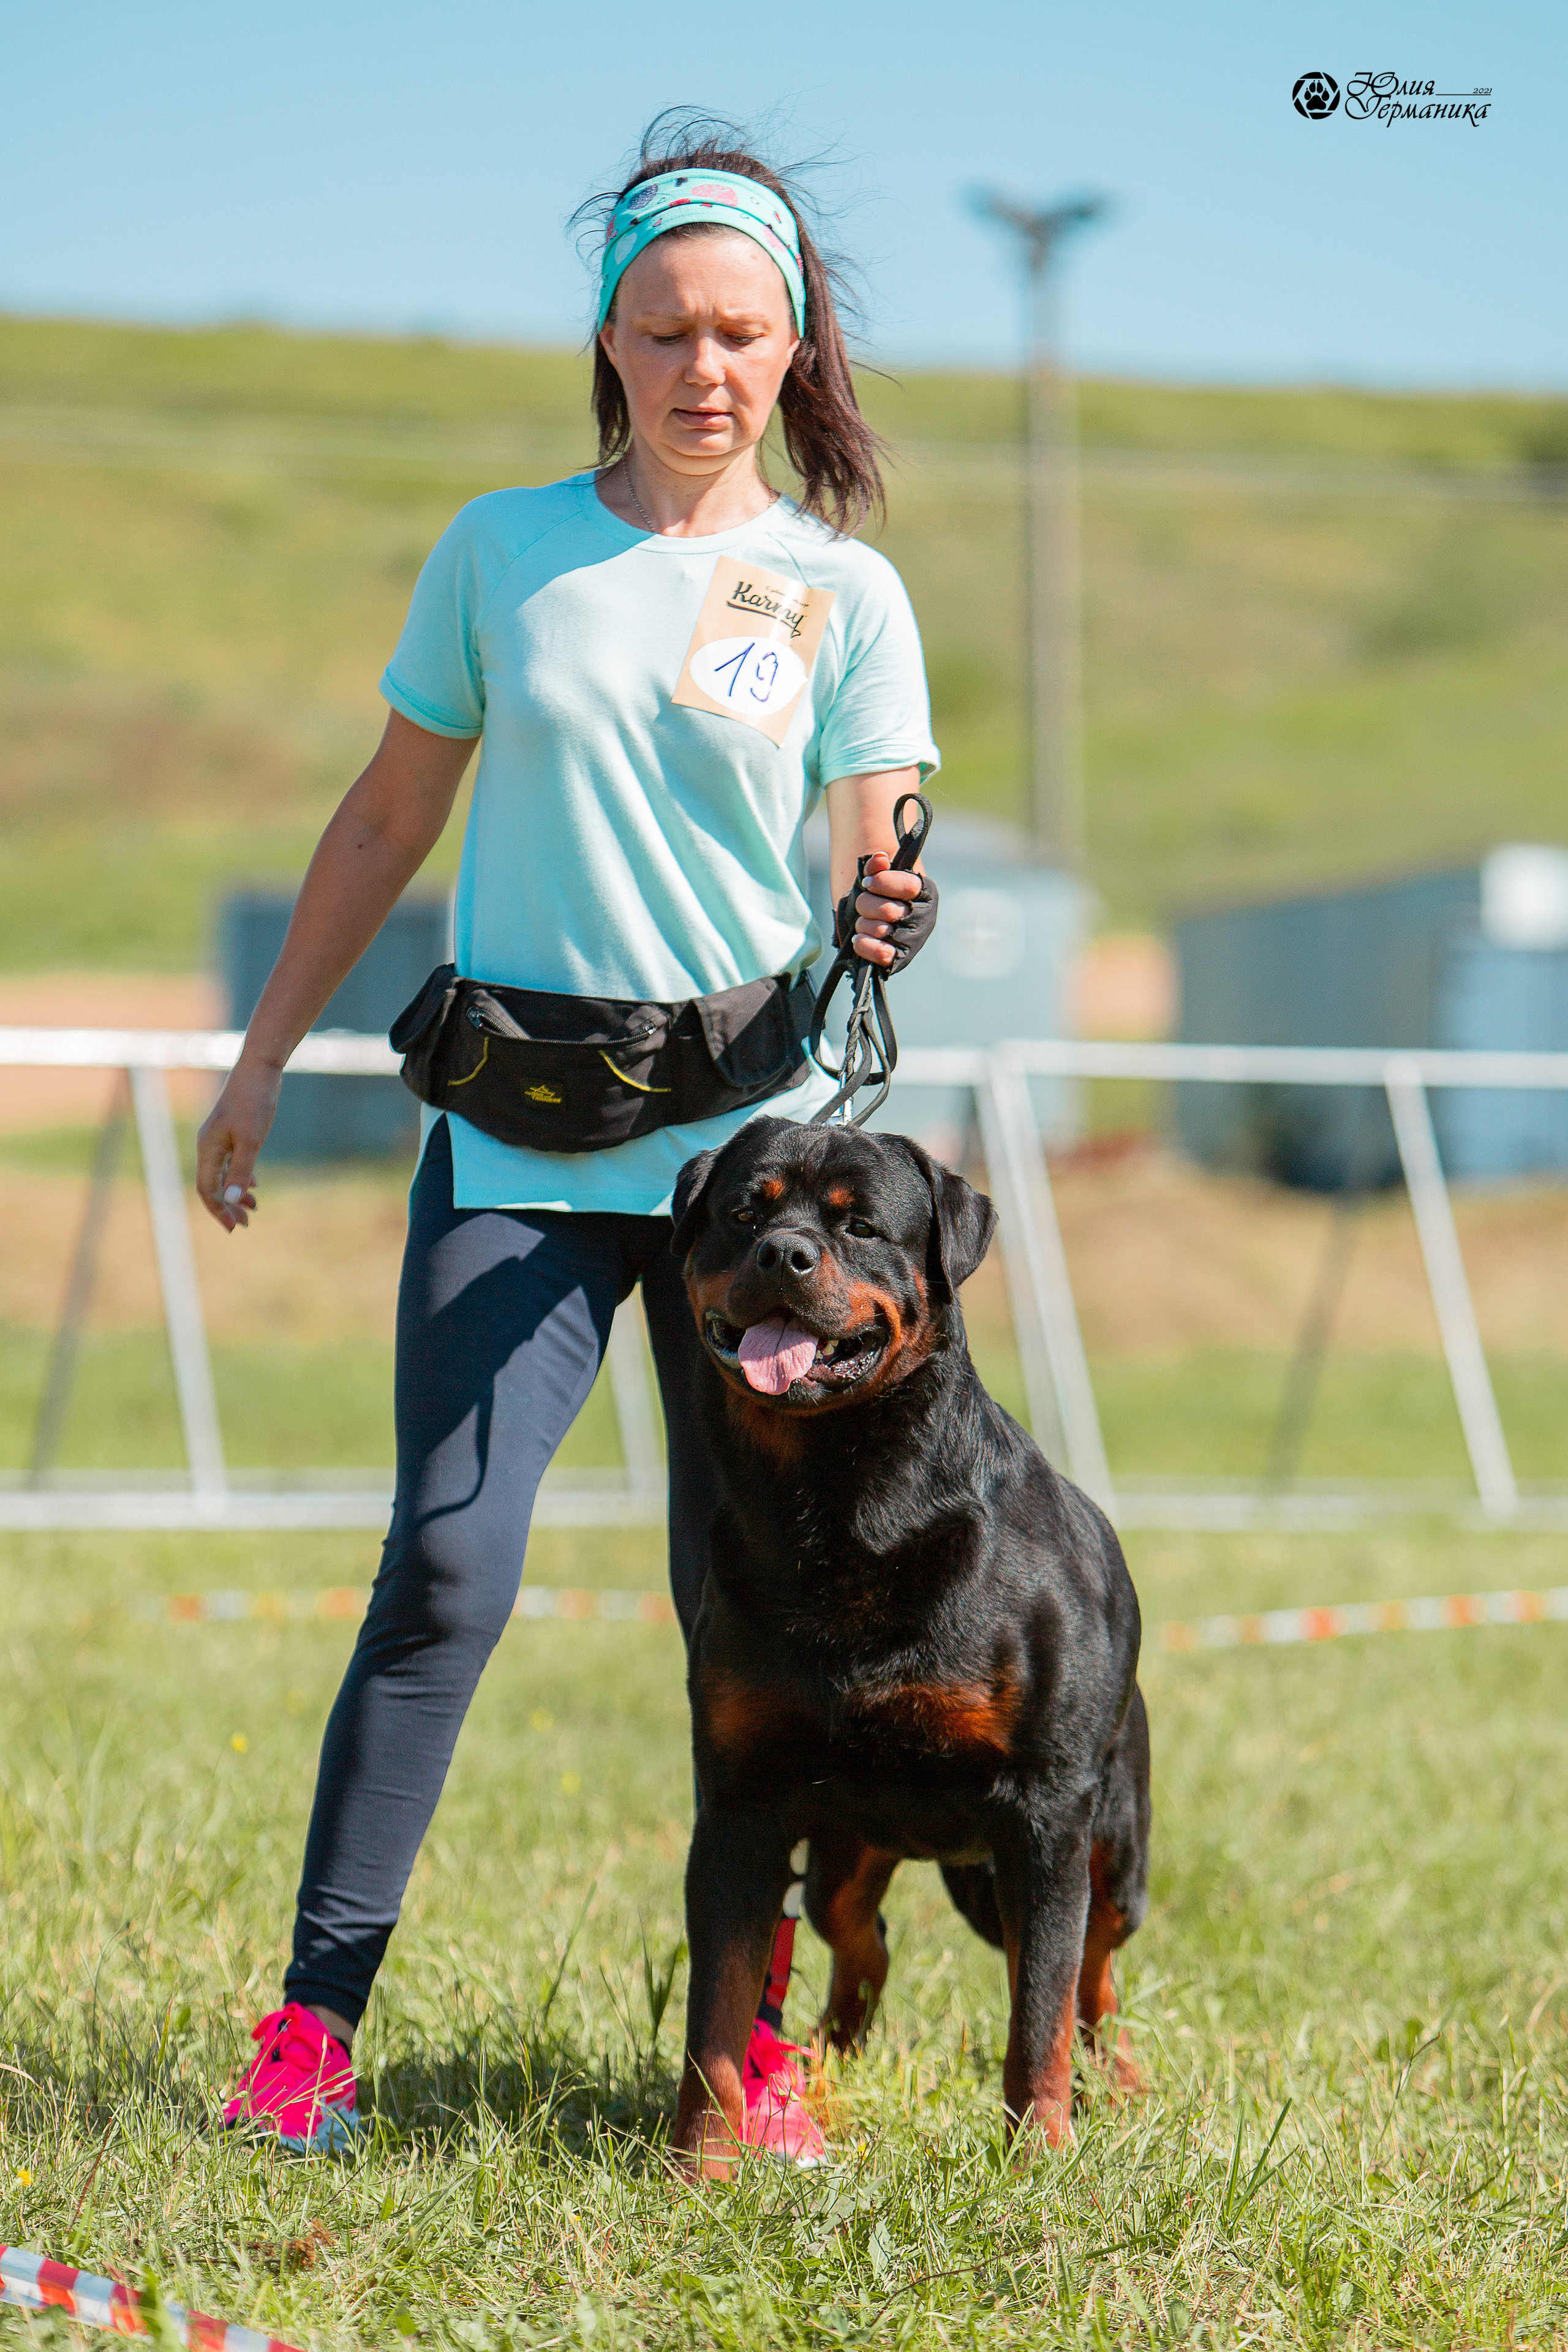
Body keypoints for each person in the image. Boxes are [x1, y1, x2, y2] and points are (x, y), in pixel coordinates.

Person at [197, 115, 940, 2165]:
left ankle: (748, 2057)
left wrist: (888, 903)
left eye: (743, 333)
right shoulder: (499, 552)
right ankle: (311, 2038)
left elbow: (876, 837)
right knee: (446, 1569)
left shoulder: (839, 588)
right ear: (607, 340)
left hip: (744, 1178)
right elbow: (383, 817)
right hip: (516, 1146)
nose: (707, 366)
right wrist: (261, 1061)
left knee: (764, 1618)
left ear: (793, 351)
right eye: (667, 329)